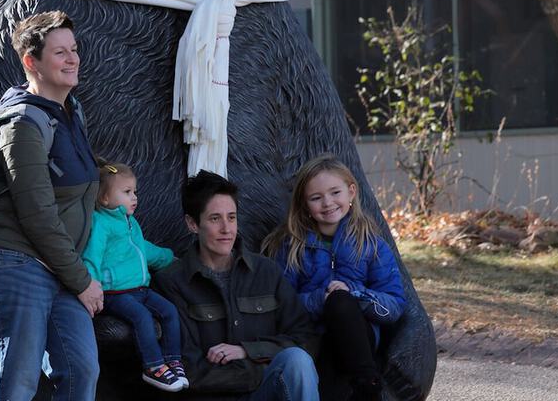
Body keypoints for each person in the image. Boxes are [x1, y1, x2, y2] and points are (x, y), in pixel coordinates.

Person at [0, 11, 102, 401]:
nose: (72, 59)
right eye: (60, 52)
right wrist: (81, 281)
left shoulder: (71, 114)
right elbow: (37, 211)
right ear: (31, 61)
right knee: (19, 378)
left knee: (81, 369)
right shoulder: (21, 123)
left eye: (74, 49)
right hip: (12, 260)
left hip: (56, 264)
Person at [153, 170, 320, 401]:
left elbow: (306, 339)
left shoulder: (266, 272)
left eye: (231, 217)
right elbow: (186, 369)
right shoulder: (171, 283)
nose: (227, 229)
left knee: (297, 360)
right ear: (192, 224)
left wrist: (247, 351)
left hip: (265, 394)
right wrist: (260, 369)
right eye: (215, 219)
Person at [262, 153, 407, 401]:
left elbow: (393, 306)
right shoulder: (291, 246)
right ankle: (368, 389)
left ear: (351, 192)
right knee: (333, 319)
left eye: (335, 192)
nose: (327, 203)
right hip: (313, 339)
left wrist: (354, 295)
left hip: (360, 340)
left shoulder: (370, 244)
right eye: (316, 198)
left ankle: (367, 387)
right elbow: (282, 306)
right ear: (304, 203)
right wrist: (322, 298)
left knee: (341, 302)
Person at [82, 161, 187, 392]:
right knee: (142, 317)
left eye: (135, 192)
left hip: (140, 289)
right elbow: (92, 255)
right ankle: (153, 366)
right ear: (105, 198)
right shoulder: (101, 223)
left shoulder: (131, 223)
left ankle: (173, 360)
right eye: (127, 192)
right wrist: (92, 285)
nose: (134, 197)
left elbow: (143, 249)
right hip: (115, 293)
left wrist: (169, 258)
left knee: (170, 311)